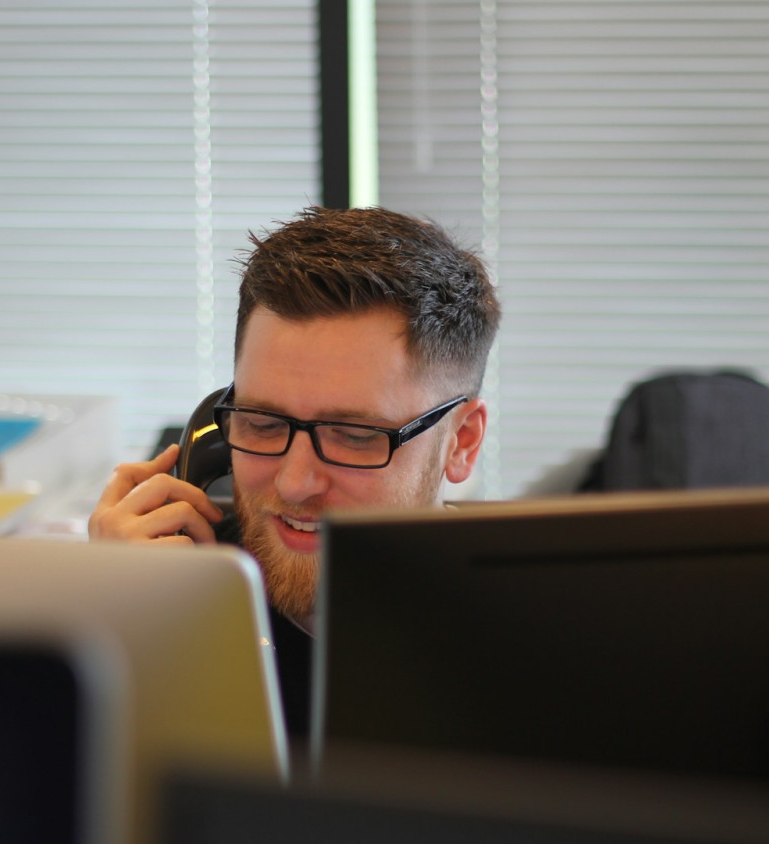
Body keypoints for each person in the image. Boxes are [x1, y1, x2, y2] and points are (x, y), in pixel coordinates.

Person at [88, 206, 501, 739]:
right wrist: (105, 624)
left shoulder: (533, 654)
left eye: (354, 435)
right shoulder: (167, 595)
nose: (294, 483)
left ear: (461, 442)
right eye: (261, 423)